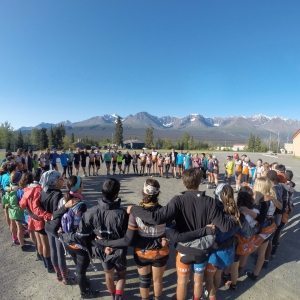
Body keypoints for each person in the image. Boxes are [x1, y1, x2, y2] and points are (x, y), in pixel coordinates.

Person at [129, 168, 237, 300]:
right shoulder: (210, 202)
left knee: (182, 281)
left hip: (184, 249)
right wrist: (236, 214)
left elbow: (155, 218)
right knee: (198, 281)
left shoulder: (178, 200)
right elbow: (225, 227)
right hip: (202, 250)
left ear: (184, 182)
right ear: (200, 181)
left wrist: (134, 209)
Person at [97, 179, 169, 300]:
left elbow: (130, 239)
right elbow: (170, 228)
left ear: (143, 192)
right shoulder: (164, 211)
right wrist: (162, 239)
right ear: (158, 193)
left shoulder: (135, 212)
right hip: (160, 251)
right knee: (157, 280)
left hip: (142, 252)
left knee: (144, 281)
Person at [76, 178, 129, 300]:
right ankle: (118, 296)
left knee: (108, 274)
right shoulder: (122, 213)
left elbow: (82, 234)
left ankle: (112, 295)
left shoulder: (91, 212)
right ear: (116, 194)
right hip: (119, 250)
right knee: (121, 275)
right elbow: (128, 236)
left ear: (102, 192)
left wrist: (96, 242)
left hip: (102, 250)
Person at [40, 170, 78, 284]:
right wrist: (66, 206)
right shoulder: (58, 195)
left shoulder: (43, 192)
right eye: (61, 179)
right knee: (60, 253)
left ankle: (58, 274)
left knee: (53, 251)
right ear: (54, 182)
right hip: (57, 227)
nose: (63, 180)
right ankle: (65, 277)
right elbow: (57, 213)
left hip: (48, 226)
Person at [205, 184, 241, 300]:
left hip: (215, 251)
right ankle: (214, 289)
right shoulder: (235, 211)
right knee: (218, 274)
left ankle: (212, 294)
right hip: (227, 249)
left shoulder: (215, 212)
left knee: (209, 277)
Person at [19, 171, 54, 272]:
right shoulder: (38, 190)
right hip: (40, 220)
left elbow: (21, 204)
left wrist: (29, 212)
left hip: (33, 220)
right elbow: (37, 208)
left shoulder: (27, 189)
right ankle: (49, 266)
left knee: (39, 242)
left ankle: (44, 261)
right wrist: (49, 216)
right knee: (46, 245)